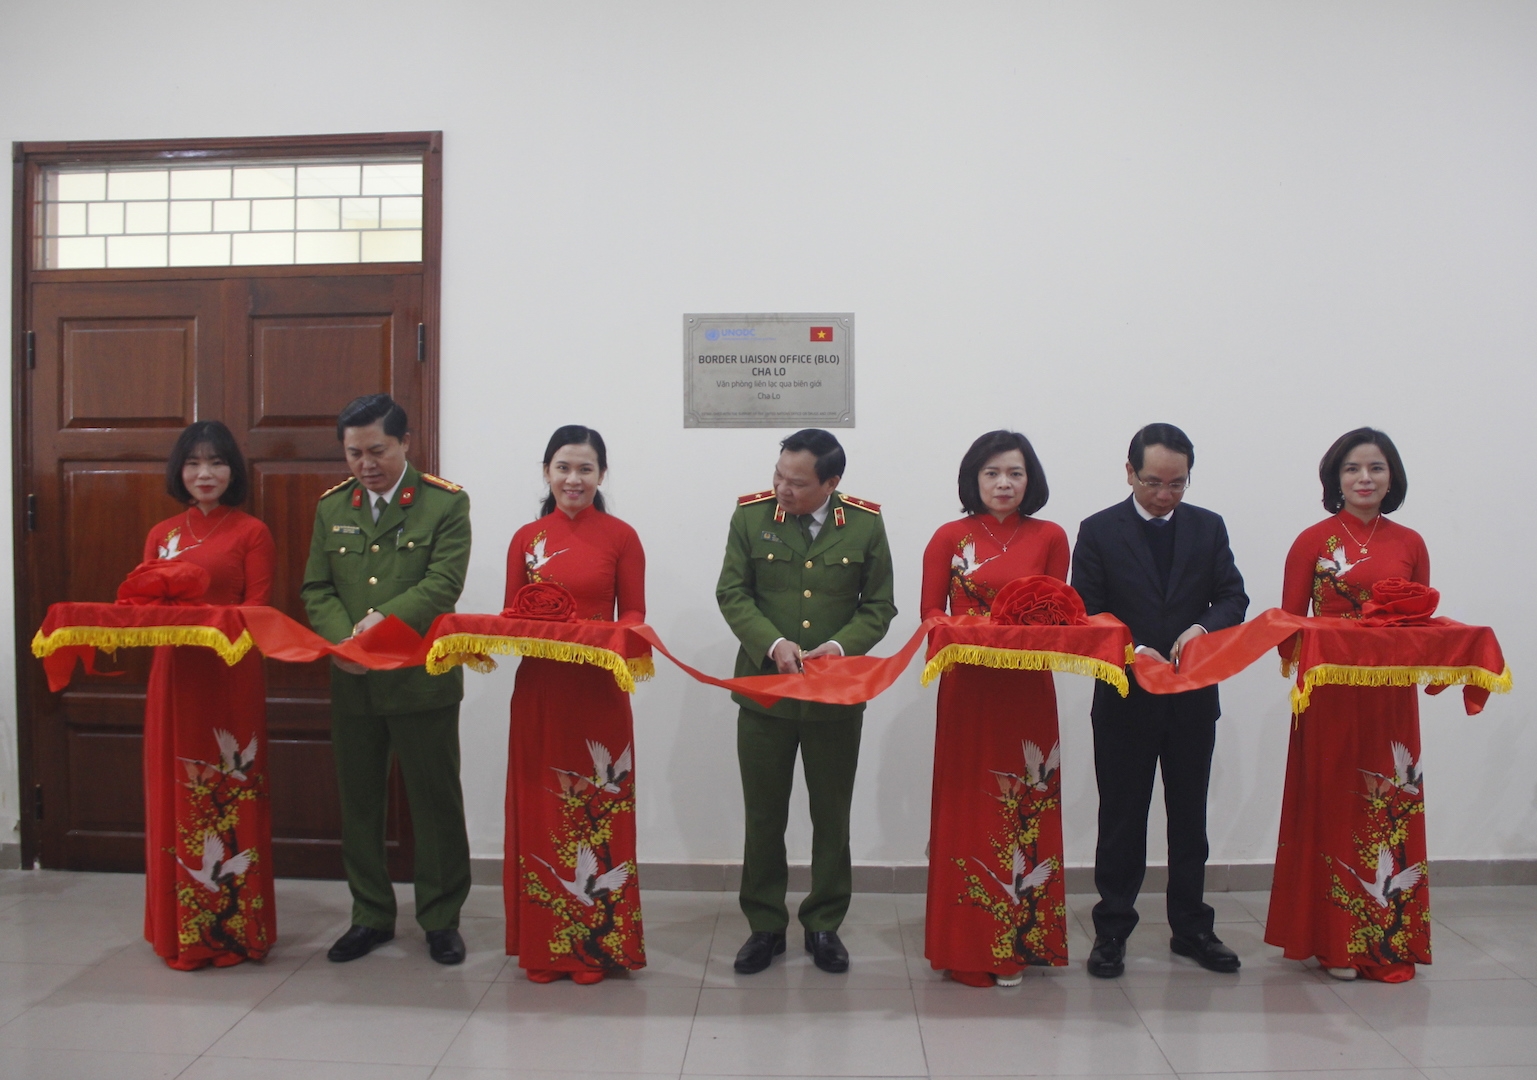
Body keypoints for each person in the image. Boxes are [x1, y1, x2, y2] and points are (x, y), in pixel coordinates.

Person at [1071, 423, 1248, 978]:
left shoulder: (1207, 527)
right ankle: (1112, 929)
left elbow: (1233, 596)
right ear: (1129, 472)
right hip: (1125, 696)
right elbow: (1087, 609)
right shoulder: (1098, 530)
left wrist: (1202, 627)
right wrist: (1136, 647)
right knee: (1122, 817)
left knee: (1189, 818)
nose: (1165, 494)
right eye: (1153, 482)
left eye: (1178, 483)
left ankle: (1192, 927)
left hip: (1193, 699)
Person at [716, 428, 897, 975]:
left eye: (796, 483)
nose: (781, 489)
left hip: (834, 700)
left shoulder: (864, 524)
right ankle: (765, 925)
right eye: (778, 476)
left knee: (831, 816)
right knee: (763, 817)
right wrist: (771, 643)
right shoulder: (751, 516)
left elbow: (880, 606)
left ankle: (823, 923)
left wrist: (840, 648)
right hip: (764, 698)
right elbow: (732, 592)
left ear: (832, 482)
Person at [301, 393, 473, 966]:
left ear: (405, 443)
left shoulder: (444, 504)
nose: (365, 463)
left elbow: (443, 583)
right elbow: (316, 589)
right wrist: (343, 639)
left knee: (435, 804)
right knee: (360, 804)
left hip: (420, 680)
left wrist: (383, 624)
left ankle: (441, 919)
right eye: (354, 453)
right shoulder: (332, 507)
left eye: (377, 450)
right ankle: (370, 914)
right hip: (353, 681)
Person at [1266, 428, 1430, 983]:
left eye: (1376, 468)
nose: (1365, 478)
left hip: (1390, 698)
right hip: (1330, 693)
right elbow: (1288, 625)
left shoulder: (1410, 542)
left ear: (1392, 477)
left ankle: (1384, 943)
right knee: (1334, 803)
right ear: (1335, 479)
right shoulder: (1312, 540)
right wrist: (1336, 636)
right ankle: (1335, 943)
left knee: (1390, 806)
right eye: (1353, 469)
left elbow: (1419, 623)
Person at [919, 431, 1071, 987]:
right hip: (968, 688)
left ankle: (1024, 938)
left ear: (1031, 480)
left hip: (1028, 689)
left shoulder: (1051, 535)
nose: (1004, 484)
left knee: (1026, 798)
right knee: (971, 803)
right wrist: (966, 630)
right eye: (992, 473)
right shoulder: (949, 536)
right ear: (972, 479)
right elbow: (931, 612)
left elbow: (1057, 609)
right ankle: (970, 943)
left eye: (1015, 473)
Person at [503, 425, 647, 984]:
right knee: (543, 809)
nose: (573, 479)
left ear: (601, 475)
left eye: (585, 469)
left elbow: (634, 614)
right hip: (541, 691)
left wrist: (603, 635)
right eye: (563, 467)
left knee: (595, 813)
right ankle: (546, 949)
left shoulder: (622, 536)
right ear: (546, 472)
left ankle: (598, 948)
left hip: (598, 692)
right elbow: (511, 616)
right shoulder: (526, 538)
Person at [142, 420, 277, 970]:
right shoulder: (162, 533)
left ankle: (238, 931)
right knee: (176, 793)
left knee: (231, 790)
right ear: (179, 470)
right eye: (194, 463)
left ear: (233, 471)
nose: (205, 473)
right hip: (174, 674)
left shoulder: (252, 532)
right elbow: (145, 605)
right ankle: (182, 931)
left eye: (217, 462)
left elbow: (259, 611)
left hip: (231, 676)